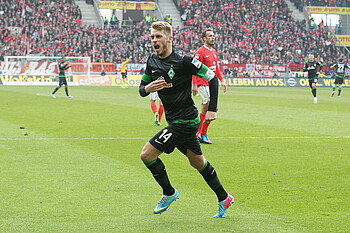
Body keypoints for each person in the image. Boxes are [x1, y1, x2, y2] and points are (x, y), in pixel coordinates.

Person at [139, 21, 234, 218]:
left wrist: (212, 109)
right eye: (152, 37)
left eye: (158, 36)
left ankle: (169, 192)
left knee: (147, 155)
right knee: (198, 163)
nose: (154, 40)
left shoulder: (184, 62)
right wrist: (148, 88)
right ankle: (224, 197)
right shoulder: (152, 62)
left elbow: (212, 78)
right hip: (174, 121)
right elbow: (142, 89)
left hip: (186, 121)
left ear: (170, 38)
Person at [192, 28, 227, 144]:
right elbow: (194, 69)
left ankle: (199, 133)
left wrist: (222, 80)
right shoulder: (200, 52)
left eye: (213, 36)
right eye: (210, 36)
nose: (213, 38)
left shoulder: (214, 52)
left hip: (212, 84)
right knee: (211, 107)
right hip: (202, 83)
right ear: (204, 38)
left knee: (206, 109)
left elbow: (216, 68)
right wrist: (195, 84)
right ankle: (202, 133)